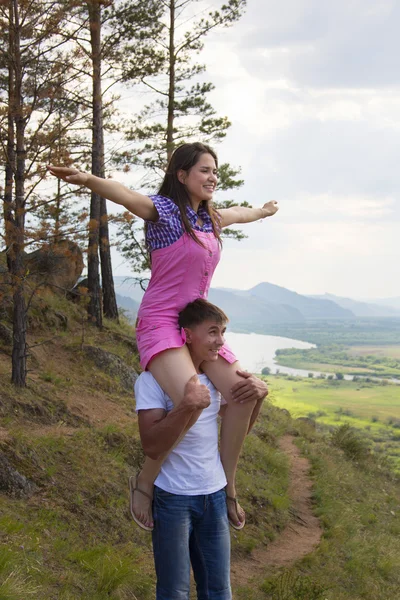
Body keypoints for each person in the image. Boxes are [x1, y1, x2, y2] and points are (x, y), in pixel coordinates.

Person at [48, 142, 278, 530]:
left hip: (199, 325)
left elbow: (241, 213)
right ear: (182, 174)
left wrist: (263, 211)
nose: (212, 177)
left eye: (215, 171)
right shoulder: (166, 213)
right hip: (161, 322)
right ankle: (145, 481)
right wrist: (89, 180)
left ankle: (227, 484)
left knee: (245, 394)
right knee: (194, 400)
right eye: (204, 170)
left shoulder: (211, 220)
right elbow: (128, 196)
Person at [134, 299, 268, 600]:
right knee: (174, 591)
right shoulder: (151, 380)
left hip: (215, 495)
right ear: (187, 335)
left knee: (219, 591)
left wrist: (256, 398)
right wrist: (187, 405)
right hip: (173, 498)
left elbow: (238, 434)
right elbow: (151, 444)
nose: (220, 341)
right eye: (212, 332)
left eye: (222, 332)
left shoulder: (217, 383)